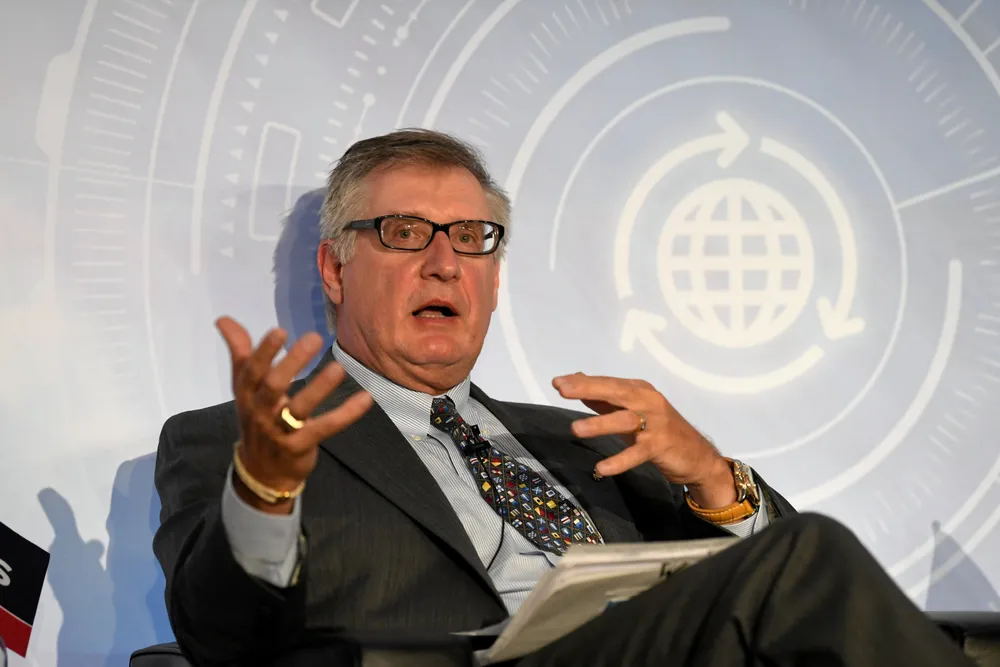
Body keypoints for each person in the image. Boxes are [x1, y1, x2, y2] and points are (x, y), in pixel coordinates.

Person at [152, 129, 972, 667]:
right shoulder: (236, 442)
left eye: (472, 238)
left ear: (494, 277)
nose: (445, 262)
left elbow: (784, 595)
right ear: (335, 268)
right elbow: (223, 639)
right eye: (405, 232)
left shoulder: (585, 437)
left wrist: (712, 479)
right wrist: (266, 486)